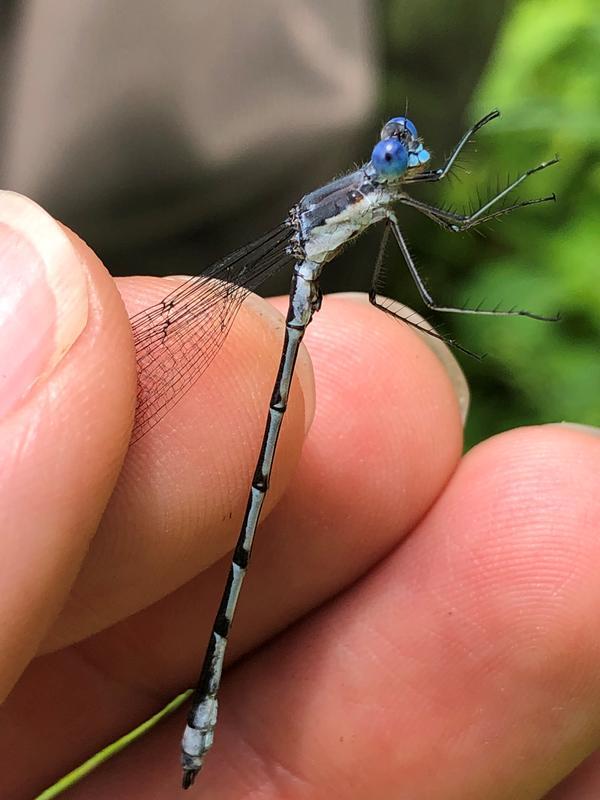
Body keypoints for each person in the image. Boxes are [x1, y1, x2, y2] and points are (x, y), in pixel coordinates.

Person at [1, 191, 599, 799]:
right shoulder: (368, 205)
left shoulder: (378, 198)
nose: (408, 161)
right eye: (395, 154)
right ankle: (203, 716)